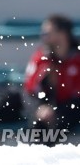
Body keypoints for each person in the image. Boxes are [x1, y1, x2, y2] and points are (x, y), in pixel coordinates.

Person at [23, 14, 80, 145]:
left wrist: (55, 111)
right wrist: (40, 108)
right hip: (45, 108)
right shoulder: (41, 57)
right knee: (38, 123)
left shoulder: (77, 58)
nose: (44, 35)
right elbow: (29, 89)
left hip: (72, 109)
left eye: (48, 32)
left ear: (62, 34)